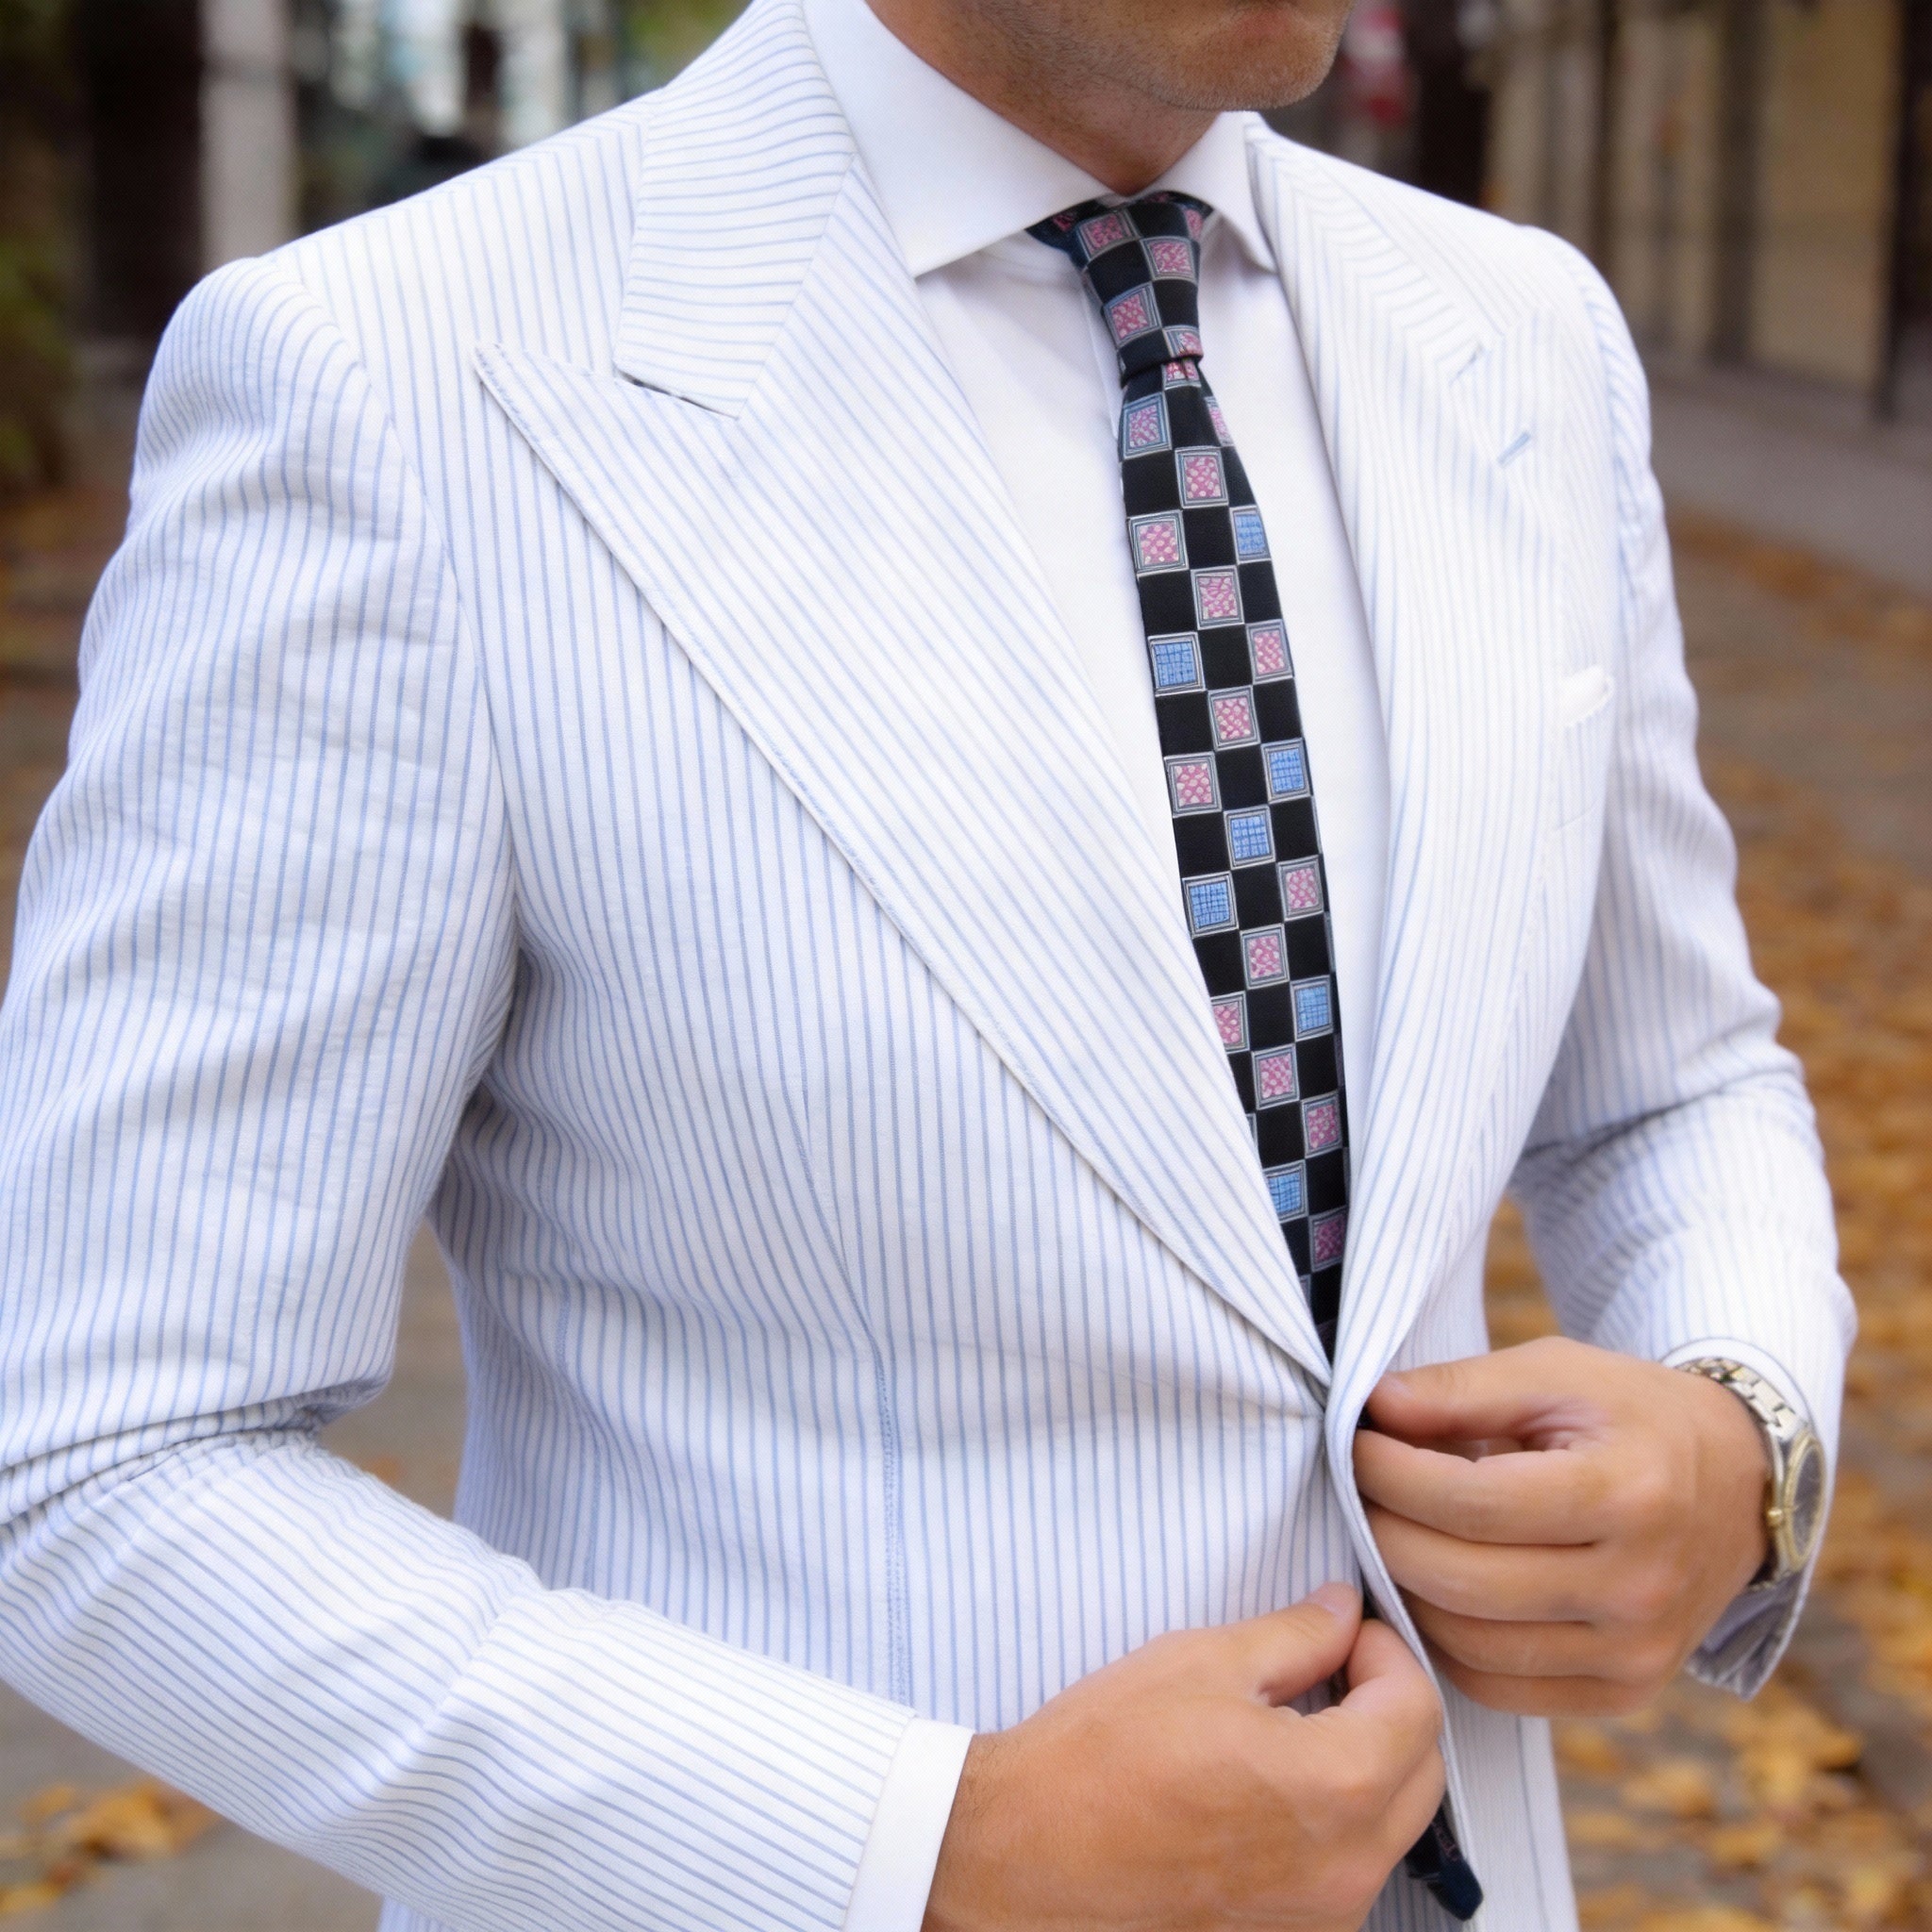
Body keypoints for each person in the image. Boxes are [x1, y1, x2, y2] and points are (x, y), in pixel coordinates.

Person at [0, 0, 1849, 1925]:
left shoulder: (1520, 335)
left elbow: (1667, 1080)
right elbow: (94, 1450)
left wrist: (1744, 1428)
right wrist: (911, 1843)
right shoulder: (390, 380)